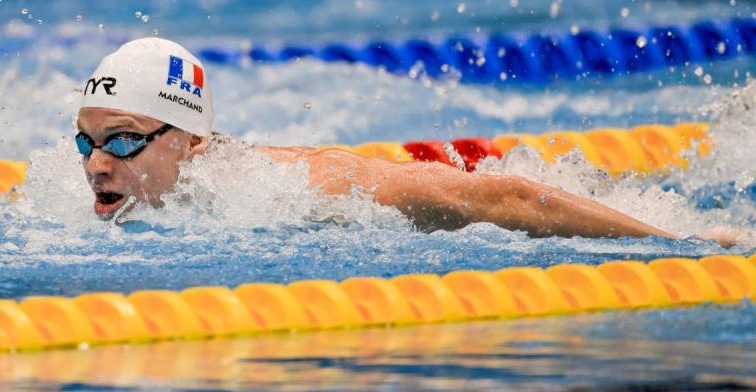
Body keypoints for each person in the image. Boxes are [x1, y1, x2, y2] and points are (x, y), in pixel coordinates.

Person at [76, 37, 701, 242]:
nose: (97, 165)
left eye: (123, 141)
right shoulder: (78, 188)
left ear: (191, 142)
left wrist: (681, 244)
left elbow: (500, 197)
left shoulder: (293, 189)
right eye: (87, 142)